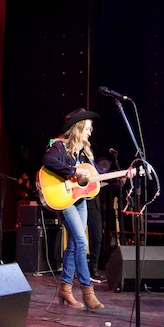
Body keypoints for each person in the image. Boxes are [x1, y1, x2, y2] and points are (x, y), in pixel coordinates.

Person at [41, 108, 104, 309]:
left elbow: (92, 176)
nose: (90, 131)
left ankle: (65, 289)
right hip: (64, 198)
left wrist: (122, 175)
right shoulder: (59, 146)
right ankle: (87, 291)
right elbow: (48, 161)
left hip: (79, 199)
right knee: (80, 240)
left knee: (75, 245)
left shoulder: (85, 152)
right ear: (78, 127)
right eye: (87, 127)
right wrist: (72, 171)